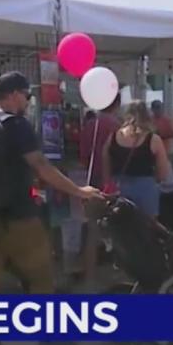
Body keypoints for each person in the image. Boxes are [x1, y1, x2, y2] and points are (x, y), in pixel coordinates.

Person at [0, 72, 103, 345]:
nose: (28, 100)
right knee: (42, 278)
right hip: (20, 217)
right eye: (26, 94)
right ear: (13, 94)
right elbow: (41, 166)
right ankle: (49, 341)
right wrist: (78, 190)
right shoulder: (18, 126)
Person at [72, 95, 120, 284]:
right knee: (117, 230)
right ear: (116, 104)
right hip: (113, 182)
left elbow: (83, 155)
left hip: (91, 181)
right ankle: (116, 273)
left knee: (92, 230)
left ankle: (89, 275)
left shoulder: (90, 125)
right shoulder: (117, 127)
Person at [100, 102, 173, 220]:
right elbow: (163, 174)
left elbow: (105, 170)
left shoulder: (112, 137)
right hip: (146, 191)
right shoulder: (153, 140)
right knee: (145, 231)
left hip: (119, 189)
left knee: (118, 228)